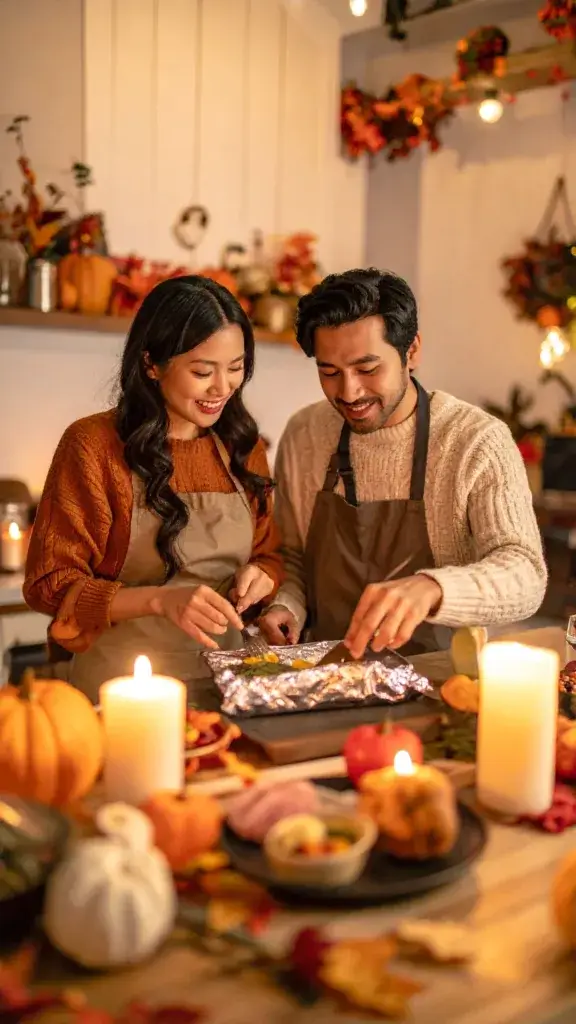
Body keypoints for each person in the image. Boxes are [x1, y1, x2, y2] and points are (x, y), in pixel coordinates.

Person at [259, 268, 547, 659]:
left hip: (439, 681)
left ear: (411, 352)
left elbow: (525, 573)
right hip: (325, 678)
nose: (349, 392)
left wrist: (433, 588)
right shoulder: (304, 433)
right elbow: (292, 555)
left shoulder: (476, 442)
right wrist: (286, 606)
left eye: (367, 369)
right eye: (329, 372)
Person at [24, 275, 283, 703]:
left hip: (231, 687)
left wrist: (262, 578)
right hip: (122, 689)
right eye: (203, 371)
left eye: (236, 368)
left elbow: (268, 552)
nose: (222, 389)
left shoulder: (243, 445)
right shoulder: (94, 445)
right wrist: (160, 601)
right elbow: (50, 584)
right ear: (151, 363)